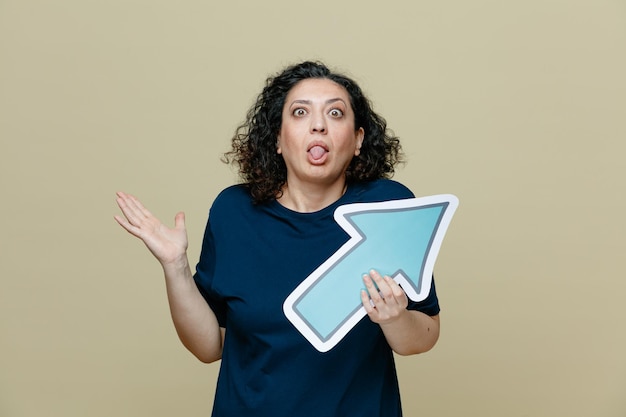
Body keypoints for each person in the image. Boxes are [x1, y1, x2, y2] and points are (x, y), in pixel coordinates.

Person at [115, 61, 441, 417]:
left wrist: (394, 318)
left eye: (335, 113)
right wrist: (174, 266)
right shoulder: (233, 212)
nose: (318, 124)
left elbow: (425, 334)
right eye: (300, 113)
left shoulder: (389, 206)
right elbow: (210, 347)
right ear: (277, 140)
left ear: (358, 140)